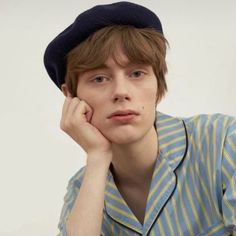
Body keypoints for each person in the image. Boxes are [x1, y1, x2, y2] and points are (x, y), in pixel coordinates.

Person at [44, 2, 236, 236]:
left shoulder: (223, 142)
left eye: (137, 73)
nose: (121, 92)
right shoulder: (81, 191)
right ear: (71, 97)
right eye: (99, 79)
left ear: (158, 83)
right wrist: (97, 157)